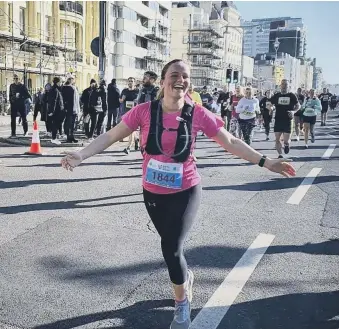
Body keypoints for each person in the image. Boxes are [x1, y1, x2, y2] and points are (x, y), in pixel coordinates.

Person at [61, 59, 296, 329]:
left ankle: (182, 304)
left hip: (186, 189)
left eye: (184, 76)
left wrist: (266, 162)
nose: (179, 80)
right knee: (171, 246)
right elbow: (112, 135)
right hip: (152, 192)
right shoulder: (143, 111)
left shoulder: (197, 113)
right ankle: (184, 277)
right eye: (174, 75)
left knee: (171, 247)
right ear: (163, 81)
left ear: (189, 83)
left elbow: (229, 141)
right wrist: (81, 154)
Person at [270, 79, 300, 158]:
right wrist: (272, 108)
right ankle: (280, 155)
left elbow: (298, 106)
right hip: (278, 119)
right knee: (277, 139)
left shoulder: (292, 95)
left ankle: (286, 145)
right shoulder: (276, 95)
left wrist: (293, 112)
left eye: (285, 84)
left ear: (288, 86)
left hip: (288, 120)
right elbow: (271, 104)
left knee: (286, 140)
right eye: (282, 84)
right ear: (280, 86)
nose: (284, 86)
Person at [120, 77, 139, 154]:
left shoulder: (137, 91)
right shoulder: (124, 91)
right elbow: (120, 100)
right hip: (126, 112)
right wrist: (122, 99)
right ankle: (136, 139)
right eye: (129, 81)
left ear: (135, 82)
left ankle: (128, 147)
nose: (130, 82)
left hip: (134, 112)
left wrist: (137, 101)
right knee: (131, 129)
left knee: (131, 130)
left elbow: (140, 100)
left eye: (132, 81)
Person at [61, 77, 80, 143]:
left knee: (72, 124)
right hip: (69, 108)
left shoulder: (73, 87)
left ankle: (71, 136)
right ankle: (69, 137)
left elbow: (76, 99)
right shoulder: (66, 88)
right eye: (72, 80)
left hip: (73, 108)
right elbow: (65, 99)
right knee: (69, 123)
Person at [48, 77, 65, 145]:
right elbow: (53, 101)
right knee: (55, 124)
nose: (61, 83)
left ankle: (55, 137)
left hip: (58, 110)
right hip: (56, 110)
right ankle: (54, 138)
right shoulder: (54, 90)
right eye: (60, 82)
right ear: (58, 82)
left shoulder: (56, 89)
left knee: (57, 124)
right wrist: (52, 111)